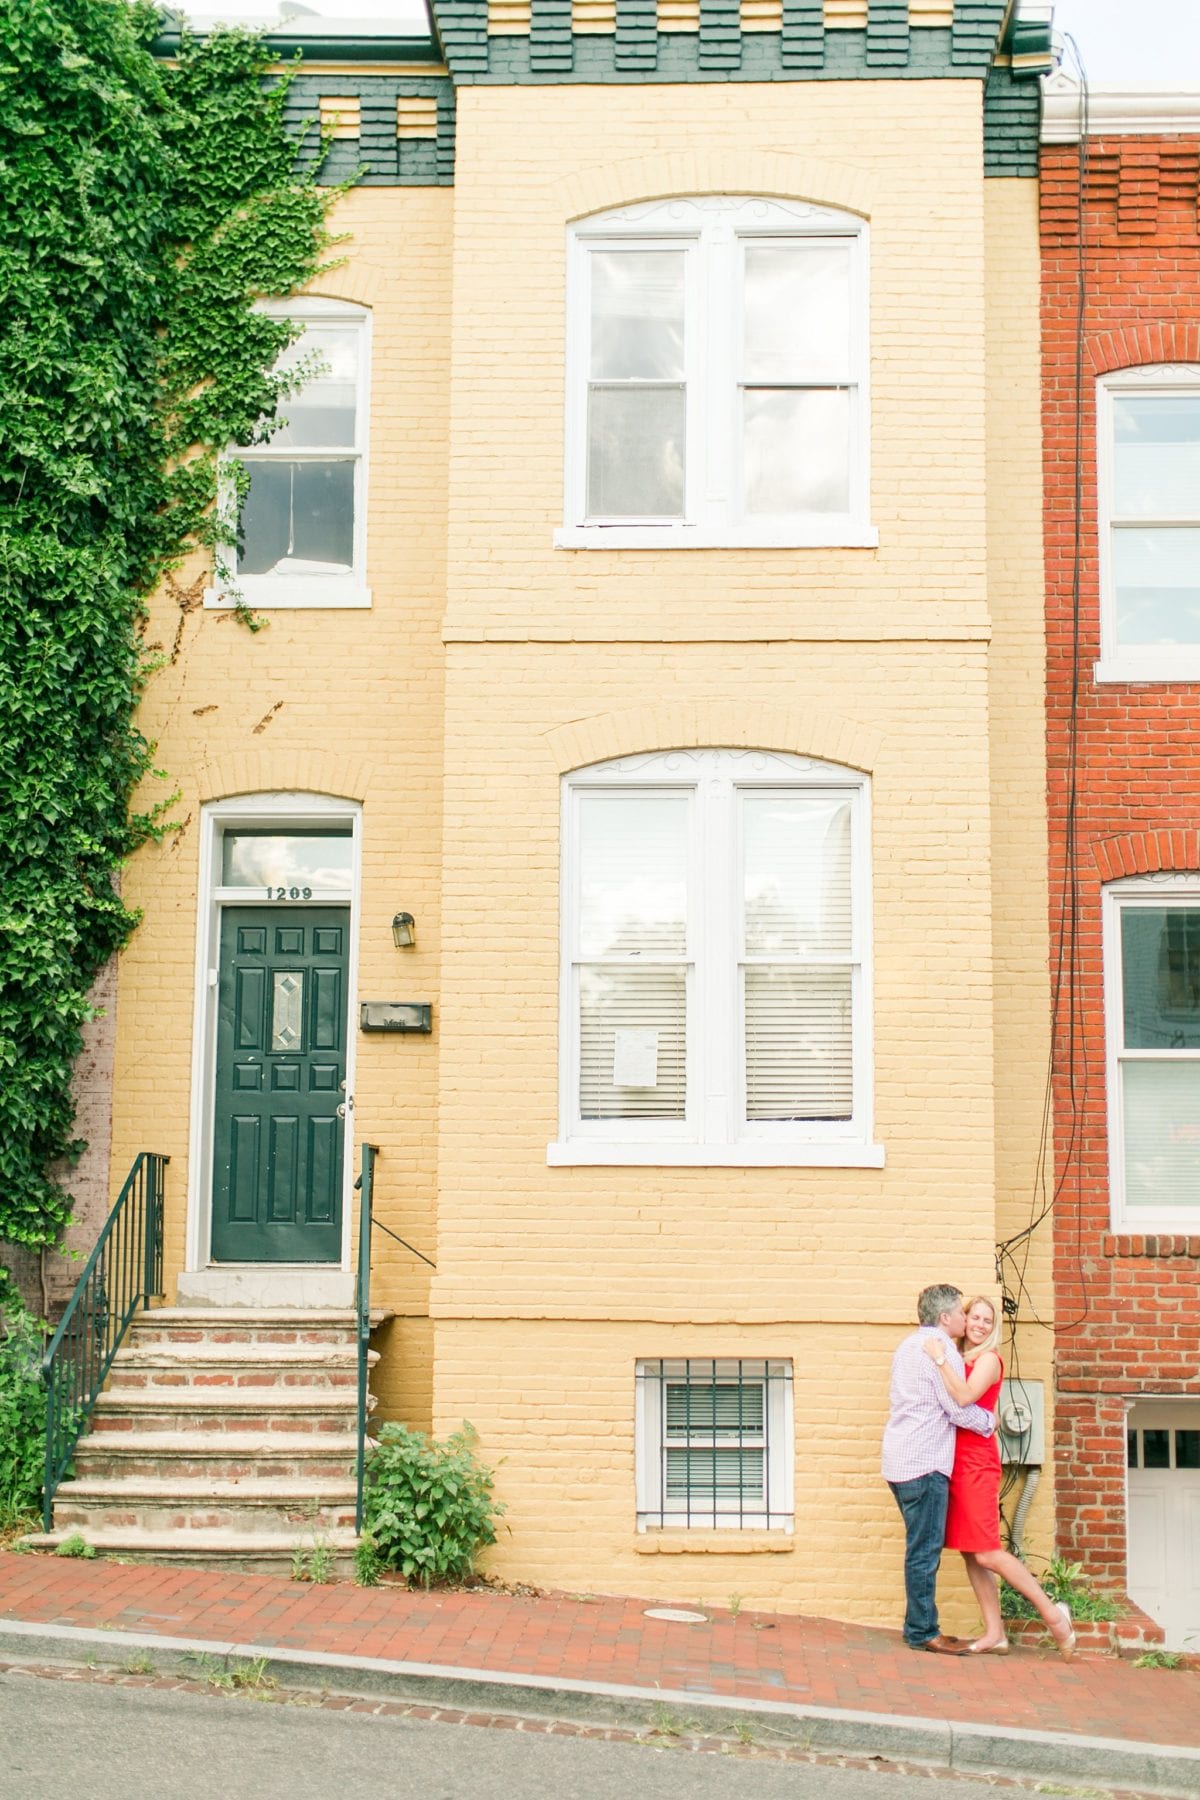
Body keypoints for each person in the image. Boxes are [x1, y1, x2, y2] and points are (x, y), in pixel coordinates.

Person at [923, 1294, 1075, 1658]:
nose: (979, 1325)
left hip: (976, 1461)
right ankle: (996, 1634)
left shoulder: (988, 1359)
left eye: (987, 1321)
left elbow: (964, 1398)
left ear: (994, 1329)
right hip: (955, 1461)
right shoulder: (962, 1358)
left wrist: (939, 1358)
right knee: (970, 1554)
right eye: (973, 1317)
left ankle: (1054, 1615)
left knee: (988, 1551)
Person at [881, 1284, 998, 1654]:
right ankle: (921, 1631)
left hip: (899, 1461)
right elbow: (957, 1406)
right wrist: (990, 1422)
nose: (967, 1319)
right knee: (924, 1550)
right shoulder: (941, 1347)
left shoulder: (906, 1346)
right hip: (925, 1462)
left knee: (919, 1546)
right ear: (945, 1318)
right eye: (963, 1314)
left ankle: (917, 1625)